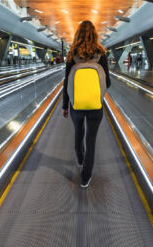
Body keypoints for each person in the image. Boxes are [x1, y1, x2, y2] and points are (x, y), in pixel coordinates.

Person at [62, 20, 111, 188]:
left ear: (78, 34)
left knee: (78, 133)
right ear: (95, 34)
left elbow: (66, 82)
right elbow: (108, 82)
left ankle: (80, 160)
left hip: (76, 104)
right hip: (95, 105)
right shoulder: (101, 53)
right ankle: (85, 177)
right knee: (91, 139)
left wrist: (64, 105)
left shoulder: (72, 53)